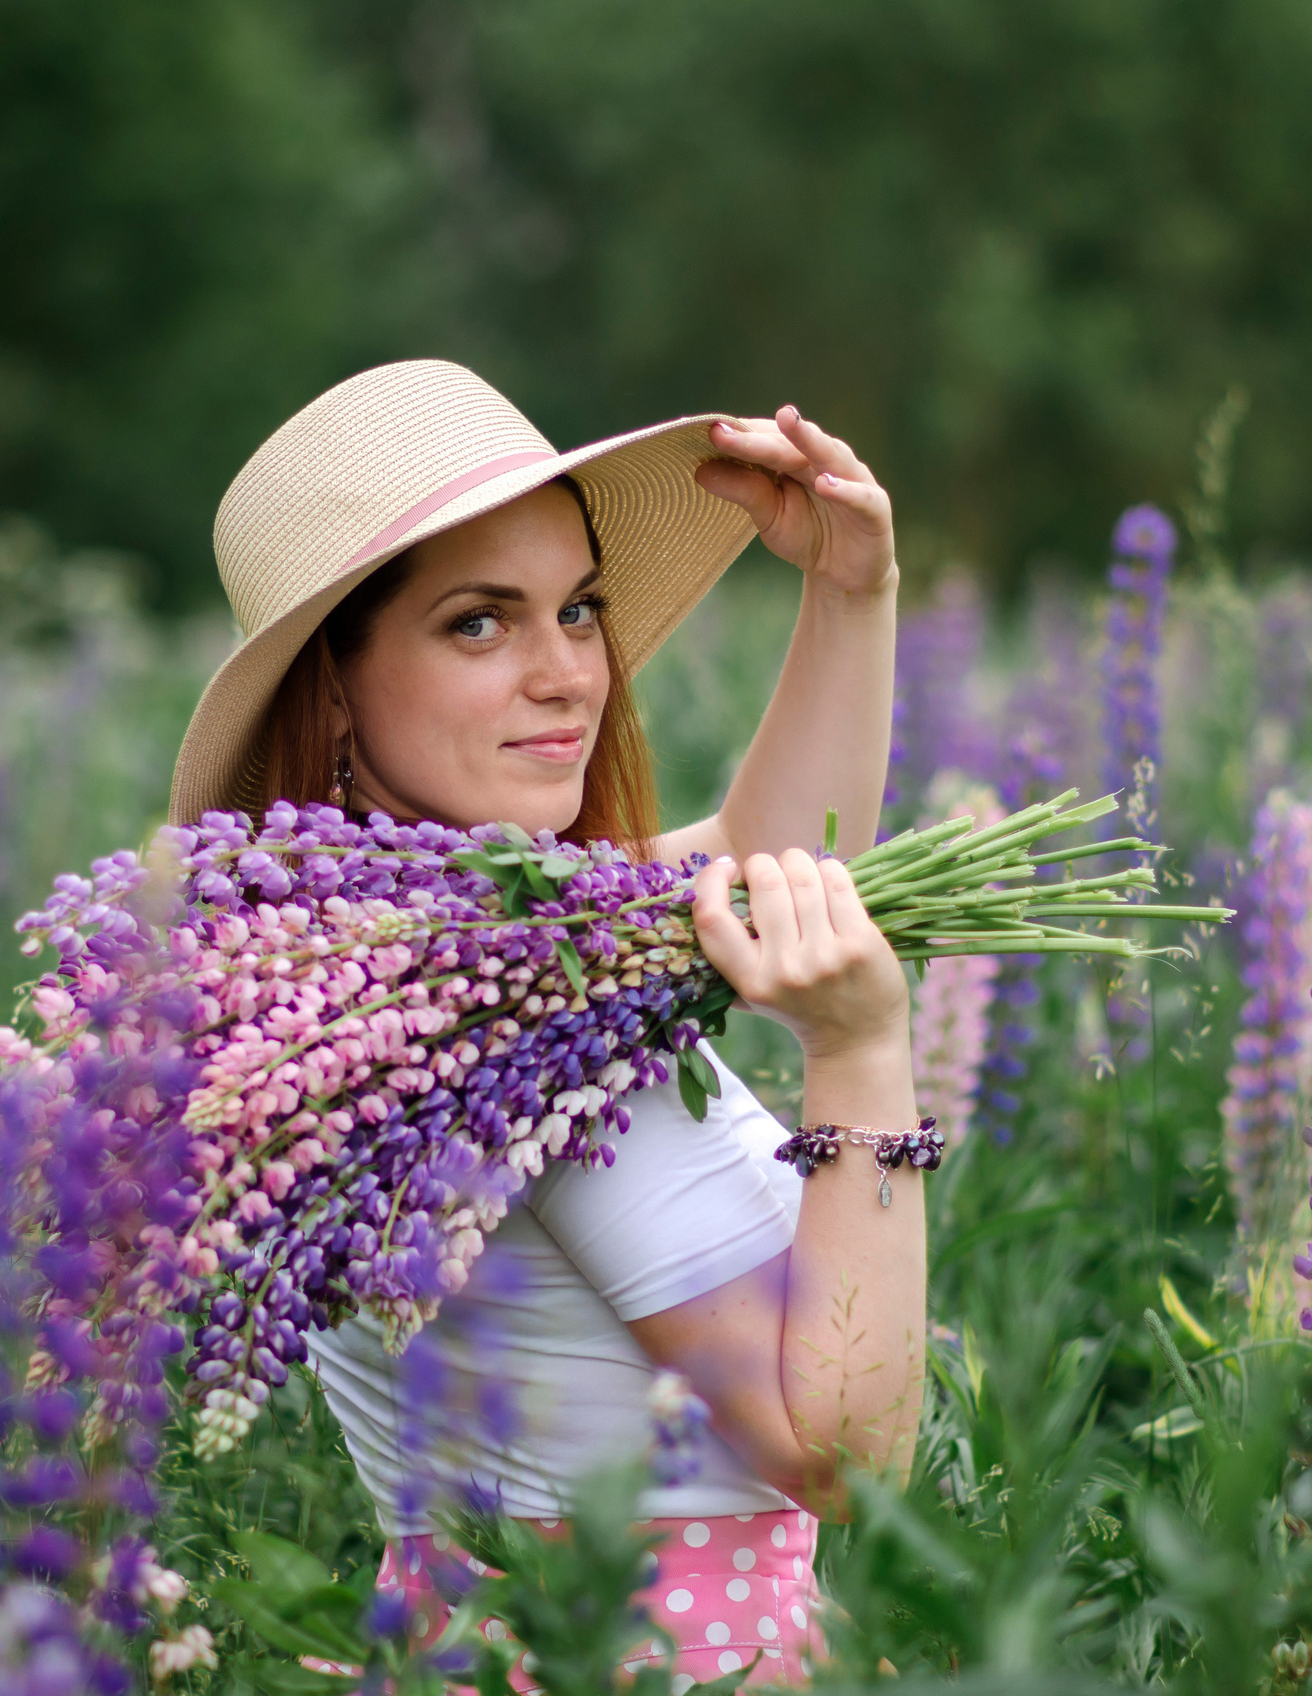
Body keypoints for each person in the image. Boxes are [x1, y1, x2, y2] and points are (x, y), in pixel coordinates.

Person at [167, 360, 924, 1687]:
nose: (567, 673)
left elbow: (768, 862)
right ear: (333, 688)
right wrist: (861, 1057)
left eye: (578, 609)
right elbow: (850, 1455)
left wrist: (849, 596)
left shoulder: (383, 981)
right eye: (479, 623)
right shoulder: (522, 1053)